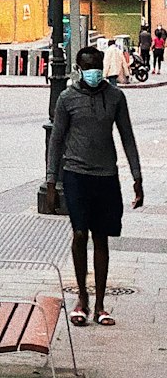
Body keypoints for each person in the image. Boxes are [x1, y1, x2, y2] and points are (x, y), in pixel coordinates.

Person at [47, 45, 143, 327]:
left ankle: (100, 304)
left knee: (100, 237)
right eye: (89, 67)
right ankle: (82, 299)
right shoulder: (66, 98)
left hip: (106, 176)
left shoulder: (115, 97)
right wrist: (52, 180)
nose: (94, 72)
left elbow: (127, 136)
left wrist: (137, 176)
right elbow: (56, 141)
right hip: (76, 175)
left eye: (97, 67)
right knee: (79, 234)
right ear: (79, 68)